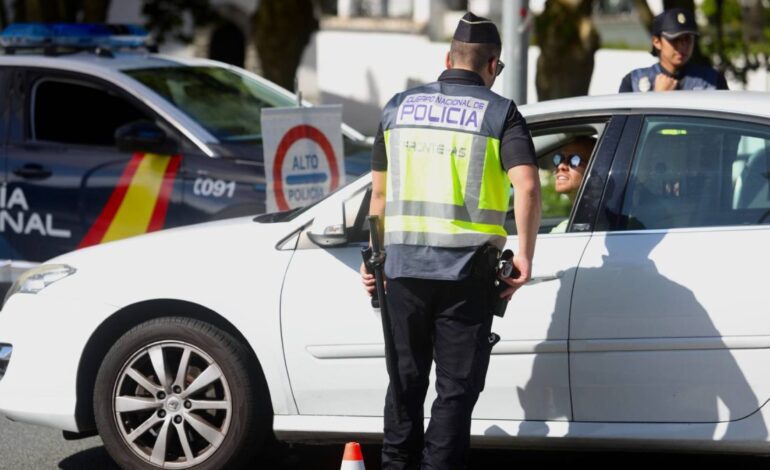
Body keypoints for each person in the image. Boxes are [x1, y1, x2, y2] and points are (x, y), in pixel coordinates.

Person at [359, 12, 541, 470]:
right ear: (494, 65)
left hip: (402, 272)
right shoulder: (501, 112)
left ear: (448, 58)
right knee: (455, 391)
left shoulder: (397, 108)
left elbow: (378, 195)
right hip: (467, 277)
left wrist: (373, 260)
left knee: (404, 384)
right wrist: (524, 255)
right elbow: (529, 185)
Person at [619, 8, 728, 92]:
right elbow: (622, 120)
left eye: (688, 39)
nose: (682, 46)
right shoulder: (633, 82)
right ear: (656, 42)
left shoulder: (713, 80)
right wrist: (658, 99)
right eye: (674, 39)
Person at [550, 136, 595, 233]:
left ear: (594, 169)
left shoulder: (600, 225)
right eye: (559, 159)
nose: (561, 166)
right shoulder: (565, 227)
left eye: (574, 160)